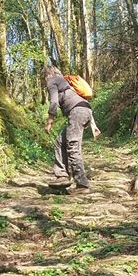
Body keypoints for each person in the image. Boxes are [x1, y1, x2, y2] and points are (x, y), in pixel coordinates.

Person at [44, 65, 92, 193]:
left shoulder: (52, 81)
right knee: (60, 142)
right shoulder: (65, 81)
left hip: (77, 112)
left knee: (72, 146)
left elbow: (54, 102)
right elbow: (81, 101)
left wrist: (49, 121)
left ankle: (82, 184)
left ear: (47, 75)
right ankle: (62, 175)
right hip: (84, 110)